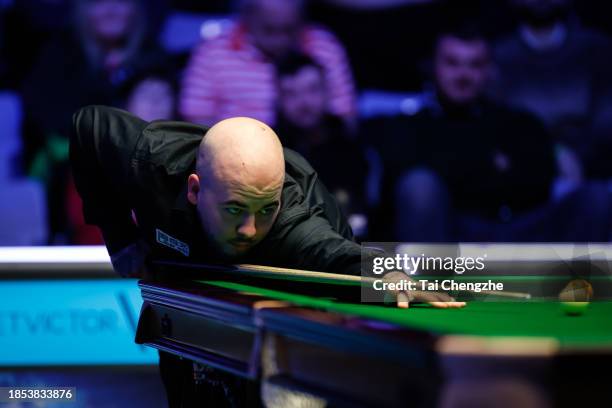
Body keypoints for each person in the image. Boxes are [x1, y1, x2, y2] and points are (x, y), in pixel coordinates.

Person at [70, 105, 464, 407]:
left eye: (264, 210)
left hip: (287, 291)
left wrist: (388, 276)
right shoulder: (151, 161)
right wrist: (119, 237)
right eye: (234, 209)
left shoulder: (293, 224)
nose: (250, 230)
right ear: (194, 189)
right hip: (187, 293)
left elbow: (337, 255)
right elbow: (88, 126)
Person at [369, 26, 612, 242]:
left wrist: (455, 170)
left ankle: (582, 291)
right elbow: (411, 193)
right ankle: (426, 292)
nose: (463, 75)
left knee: (596, 197)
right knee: (420, 186)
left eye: (474, 65)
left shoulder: (520, 123)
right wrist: (493, 167)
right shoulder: (405, 127)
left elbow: (537, 184)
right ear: (433, 67)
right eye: (452, 63)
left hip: (524, 232)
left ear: (489, 70)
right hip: (455, 236)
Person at [21, 0, 166, 243]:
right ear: (82, 11)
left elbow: (163, 119)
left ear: (136, 11)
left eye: (120, 2)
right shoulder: (58, 54)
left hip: (144, 159)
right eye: (98, 3)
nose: (110, 10)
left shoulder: (152, 55)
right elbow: (52, 123)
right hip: (69, 165)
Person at [179, 0, 356, 127]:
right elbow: (196, 118)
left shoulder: (323, 46)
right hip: (234, 159)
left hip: (309, 156)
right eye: (270, 30)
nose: (281, 39)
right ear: (247, 18)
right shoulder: (213, 51)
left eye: (289, 29)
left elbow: (344, 114)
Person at [492, 0, 612, 179]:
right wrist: (553, 153)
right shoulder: (496, 56)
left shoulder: (597, 49)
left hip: (592, 172)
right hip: (520, 174)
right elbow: (496, 127)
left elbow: (606, 121)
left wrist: (580, 159)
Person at [275, 53, 369, 228]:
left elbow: (358, 215)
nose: (303, 102)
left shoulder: (350, 142)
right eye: (291, 93)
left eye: (312, 90)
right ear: (279, 100)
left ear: (327, 92)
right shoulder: (269, 148)